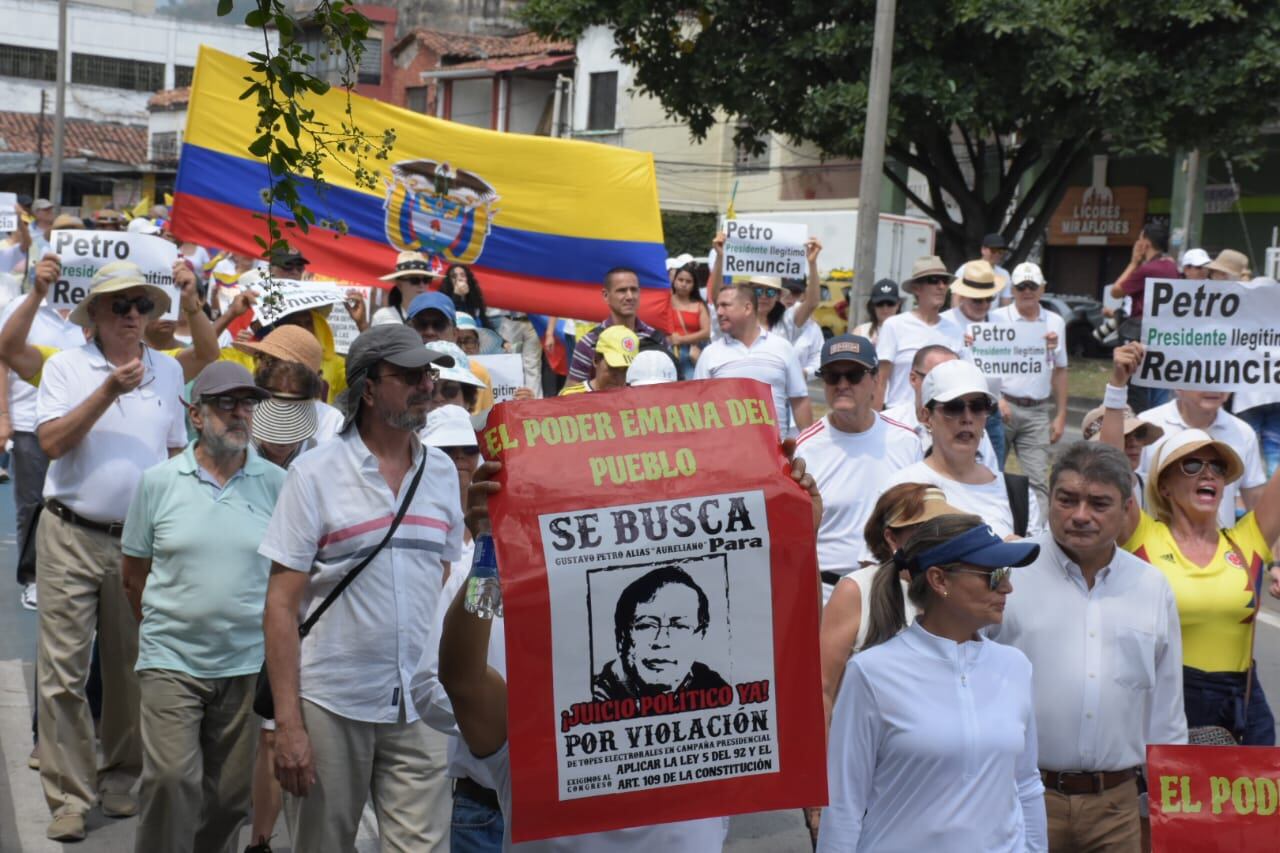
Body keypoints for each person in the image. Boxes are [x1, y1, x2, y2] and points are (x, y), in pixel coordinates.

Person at [436, 443, 822, 851]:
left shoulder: (722, 712)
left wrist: (800, 538)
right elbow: (461, 678)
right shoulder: (536, 727)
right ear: (621, 636)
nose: (662, 639)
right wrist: (487, 551)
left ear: (701, 633)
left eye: (678, 624)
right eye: (646, 625)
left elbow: (795, 651)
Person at [260, 324, 461, 851]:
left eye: (429, 373)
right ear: (368, 389)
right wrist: (288, 726)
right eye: (411, 375)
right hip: (332, 703)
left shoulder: (441, 473)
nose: (427, 385)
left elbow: (442, 579)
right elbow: (280, 606)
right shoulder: (314, 474)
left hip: (421, 705)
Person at [35, 264, 188, 841]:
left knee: (130, 670)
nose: (132, 315)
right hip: (70, 532)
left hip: (139, 542)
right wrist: (107, 391)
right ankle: (69, 796)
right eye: (120, 305)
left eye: (142, 306)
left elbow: (176, 455)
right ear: (94, 314)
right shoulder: (66, 367)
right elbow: (50, 443)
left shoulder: (169, 370)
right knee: (63, 674)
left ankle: (121, 777)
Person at [991, 441, 1186, 852]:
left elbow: (1166, 712)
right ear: (1051, 498)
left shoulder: (1152, 587)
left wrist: (1164, 809)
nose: (1080, 516)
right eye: (1067, 500)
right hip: (1018, 798)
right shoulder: (1007, 574)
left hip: (1117, 810)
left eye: (1099, 503)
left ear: (1127, 509)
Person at [120, 362, 281, 853]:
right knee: (170, 779)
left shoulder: (278, 483)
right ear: (196, 415)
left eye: (247, 404)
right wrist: (170, 627)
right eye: (226, 404)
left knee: (231, 799)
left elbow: (287, 578)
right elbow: (133, 577)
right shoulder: (158, 482)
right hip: (172, 660)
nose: (239, 414)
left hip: (246, 664)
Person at [819, 515, 1046, 852]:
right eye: (994, 575)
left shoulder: (1016, 667)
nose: (1007, 587)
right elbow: (842, 804)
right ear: (940, 580)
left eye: (1008, 574)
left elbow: (1026, 783)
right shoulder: (871, 673)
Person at [1105, 343, 1280, 746]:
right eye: (1192, 464)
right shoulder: (1144, 536)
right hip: (1166, 703)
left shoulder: (1247, 540)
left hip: (1242, 708)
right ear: (1163, 484)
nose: (1209, 473)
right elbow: (1109, 464)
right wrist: (1117, 386)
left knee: (1249, 812)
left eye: (1218, 466)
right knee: (1170, 812)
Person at [796, 335, 922, 599]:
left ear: (875, 379)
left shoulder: (906, 441)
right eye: (832, 376)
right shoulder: (805, 447)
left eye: (853, 375)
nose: (842, 384)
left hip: (891, 587)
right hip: (828, 590)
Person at [818, 484, 959, 718]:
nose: (939, 537)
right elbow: (824, 686)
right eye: (924, 529)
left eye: (944, 527)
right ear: (892, 538)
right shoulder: (856, 590)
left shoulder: (957, 588)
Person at [0, 253, 85, 610]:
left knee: (75, 502)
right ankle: (34, 577)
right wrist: (4, 415)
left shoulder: (94, 311)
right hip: (29, 421)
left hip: (80, 424)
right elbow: (3, 356)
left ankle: (71, 575)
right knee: (32, 504)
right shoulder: (23, 304)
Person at [883, 359, 1042, 538]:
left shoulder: (1018, 494)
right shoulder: (902, 488)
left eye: (978, 406)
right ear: (927, 417)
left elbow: (1037, 563)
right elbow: (879, 562)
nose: (967, 418)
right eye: (954, 407)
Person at [990, 261, 1069, 519]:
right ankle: (993, 523)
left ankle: (1040, 535)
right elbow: (985, 362)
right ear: (1012, 289)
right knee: (991, 473)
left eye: (1032, 286)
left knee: (1038, 479)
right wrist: (997, 398)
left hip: (1036, 410)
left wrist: (1060, 415)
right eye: (1021, 286)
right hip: (1002, 406)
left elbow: (1060, 369)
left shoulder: (1055, 322)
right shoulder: (997, 318)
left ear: (1042, 288)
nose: (1027, 291)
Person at [591, 566, 730, 700]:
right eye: (646, 626)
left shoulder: (717, 690)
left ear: (700, 636)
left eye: (679, 627)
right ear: (621, 638)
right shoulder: (593, 697)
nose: (662, 642)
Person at [1135, 386, 1264, 529]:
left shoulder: (1243, 432)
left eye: (1219, 467)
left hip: (1221, 547)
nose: (1215, 387)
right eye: (1191, 466)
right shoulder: (1146, 423)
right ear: (1178, 385)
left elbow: (1256, 500)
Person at [695, 284, 812, 437]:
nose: (718, 312)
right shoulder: (710, 354)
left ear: (747, 308)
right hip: (726, 455)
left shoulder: (782, 348)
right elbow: (697, 408)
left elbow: (800, 400)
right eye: (717, 306)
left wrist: (809, 447)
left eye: (725, 305)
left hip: (774, 456)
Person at [882, 344, 1000, 472]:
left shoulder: (973, 431)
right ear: (913, 378)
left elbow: (990, 477)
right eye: (935, 378)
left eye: (977, 406)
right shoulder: (885, 426)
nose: (949, 386)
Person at [875, 255, 965, 410]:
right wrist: (875, 425)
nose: (941, 286)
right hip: (900, 417)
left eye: (945, 281)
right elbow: (880, 381)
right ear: (916, 288)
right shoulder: (894, 325)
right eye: (934, 280)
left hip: (941, 420)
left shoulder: (955, 330)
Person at [235, 325, 346, 442]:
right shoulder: (243, 410)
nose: (260, 366)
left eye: (270, 362)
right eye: (260, 357)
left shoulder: (331, 422)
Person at [945, 259, 1007, 468]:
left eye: (988, 299)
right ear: (962, 296)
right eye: (977, 300)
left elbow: (1015, 361)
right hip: (955, 410)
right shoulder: (946, 324)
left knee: (994, 473)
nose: (983, 305)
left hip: (991, 410)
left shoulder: (1000, 323)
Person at [1108, 222, 1176, 410]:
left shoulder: (1148, 269)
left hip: (1141, 336)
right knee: (1160, 391)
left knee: (1137, 392)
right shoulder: (1171, 267)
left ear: (1145, 244)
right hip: (1164, 338)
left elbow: (1116, 291)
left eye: (1139, 239)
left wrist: (1133, 262)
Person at [567, 267, 669, 383]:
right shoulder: (589, 343)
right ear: (606, 295)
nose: (630, 296)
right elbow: (573, 395)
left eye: (634, 290)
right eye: (622, 290)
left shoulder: (657, 339)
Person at [1081, 403, 1164, 510]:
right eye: (1124, 436)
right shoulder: (1076, 489)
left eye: (1139, 434)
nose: (1134, 443)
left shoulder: (1152, 488)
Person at [559, 325, 638, 395]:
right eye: (613, 368)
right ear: (596, 360)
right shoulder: (571, 398)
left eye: (625, 370)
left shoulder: (634, 398)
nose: (619, 378)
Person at [667, 263, 710, 379]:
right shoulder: (665, 302)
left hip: (692, 354)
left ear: (694, 284)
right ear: (674, 281)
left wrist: (681, 339)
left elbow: (706, 332)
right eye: (680, 280)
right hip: (668, 352)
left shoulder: (699, 305)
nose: (684, 284)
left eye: (688, 281)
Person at [374, 251, 439, 326]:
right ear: (399, 285)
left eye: (426, 280)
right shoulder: (382, 316)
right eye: (414, 280)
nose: (422, 285)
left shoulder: (437, 316)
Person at [850, 279, 900, 344]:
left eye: (890, 303)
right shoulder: (861, 332)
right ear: (873, 305)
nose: (885, 309)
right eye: (880, 304)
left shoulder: (907, 331)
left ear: (898, 305)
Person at [441, 264, 491, 328]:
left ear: (468, 279)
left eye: (463, 275)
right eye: (454, 276)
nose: (459, 278)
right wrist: (457, 296)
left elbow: (483, 324)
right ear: (449, 282)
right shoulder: (445, 301)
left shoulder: (476, 301)